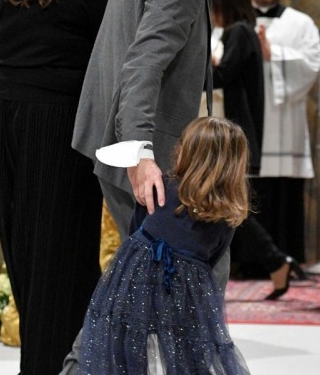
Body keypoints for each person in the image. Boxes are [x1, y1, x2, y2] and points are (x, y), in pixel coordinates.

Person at [62, 0, 273, 374]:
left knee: (139, 280)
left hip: (124, 143)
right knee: (192, 271)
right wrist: (139, 154)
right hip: (144, 153)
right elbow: (143, 65)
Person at [0, 0, 111, 375]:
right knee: (64, 249)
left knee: (22, 244)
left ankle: (41, 362)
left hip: (0, 112)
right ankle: (53, 366)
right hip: (59, 118)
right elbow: (107, 68)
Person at [80, 117, 251, 374]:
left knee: (128, 343)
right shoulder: (227, 214)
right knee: (185, 353)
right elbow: (213, 258)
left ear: (186, 151)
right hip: (186, 291)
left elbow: (135, 231)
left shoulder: (160, 186)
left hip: (134, 280)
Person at [210, 0, 304, 300]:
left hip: (238, 134)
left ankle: (275, 259)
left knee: (229, 206)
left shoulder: (239, 32)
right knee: (227, 205)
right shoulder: (244, 32)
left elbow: (222, 76)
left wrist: (198, 65)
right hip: (242, 132)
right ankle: (275, 261)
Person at [243, 0, 320, 269]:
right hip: (248, 120)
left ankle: (289, 259)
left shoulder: (300, 23)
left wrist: (273, 54)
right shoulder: (235, 20)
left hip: (285, 121)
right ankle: (250, 262)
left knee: (285, 193)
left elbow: (312, 64)